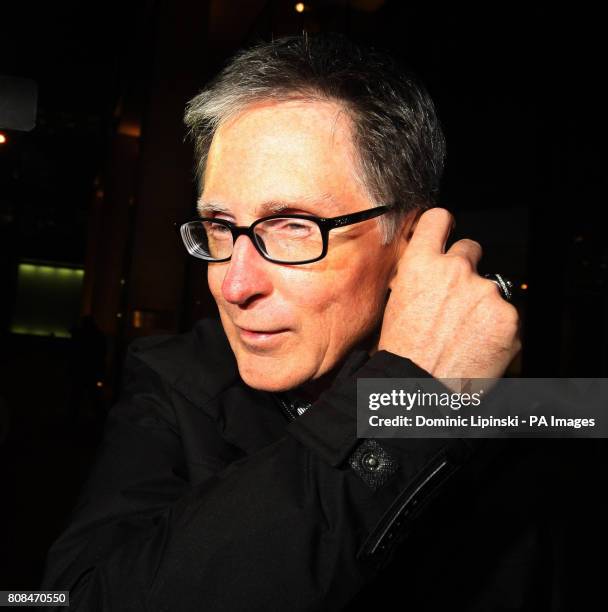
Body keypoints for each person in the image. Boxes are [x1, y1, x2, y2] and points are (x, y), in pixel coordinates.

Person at [42, 33, 584, 611]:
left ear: (410, 241)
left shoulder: (533, 410)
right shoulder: (174, 381)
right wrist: (405, 398)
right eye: (221, 227)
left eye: (295, 226)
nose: (234, 284)